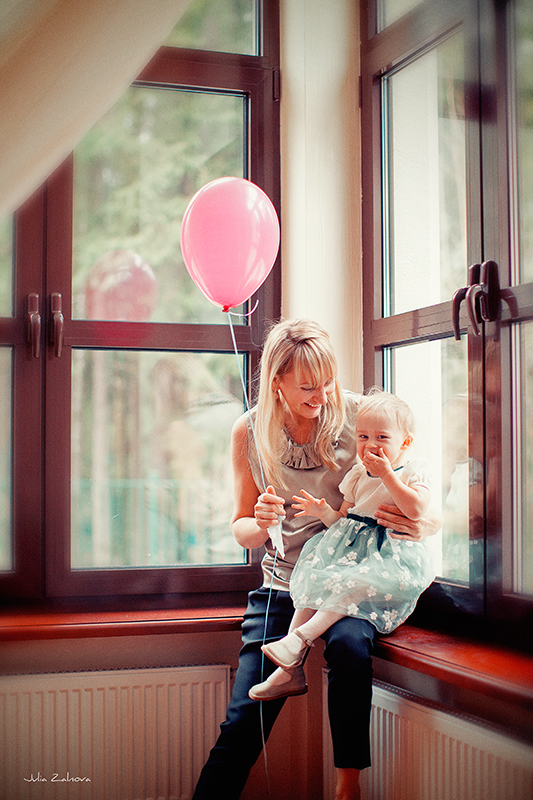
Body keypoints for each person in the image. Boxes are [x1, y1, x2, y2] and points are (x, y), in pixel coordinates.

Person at [191, 319, 440, 800]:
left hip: (353, 581)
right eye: (308, 387)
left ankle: (349, 784)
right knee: (243, 721)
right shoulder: (249, 431)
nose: (323, 396)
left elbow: (416, 482)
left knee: (350, 648)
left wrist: (422, 524)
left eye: (329, 382)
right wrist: (260, 521)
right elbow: (241, 526)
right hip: (285, 584)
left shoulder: (360, 416)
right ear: (277, 381)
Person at [249, 390, 435, 701]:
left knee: (354, 583)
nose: (371, 444)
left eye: (382, 437)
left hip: (387, 557)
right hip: (352, 550)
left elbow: (416, 509)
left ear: (405, 442)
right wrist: (323, 512)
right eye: (363, 436)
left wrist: (387, 475)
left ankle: (299, 639)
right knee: (317, 577)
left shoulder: (414, 470)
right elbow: (344, 519)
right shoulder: (358, 473)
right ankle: (288, 669)